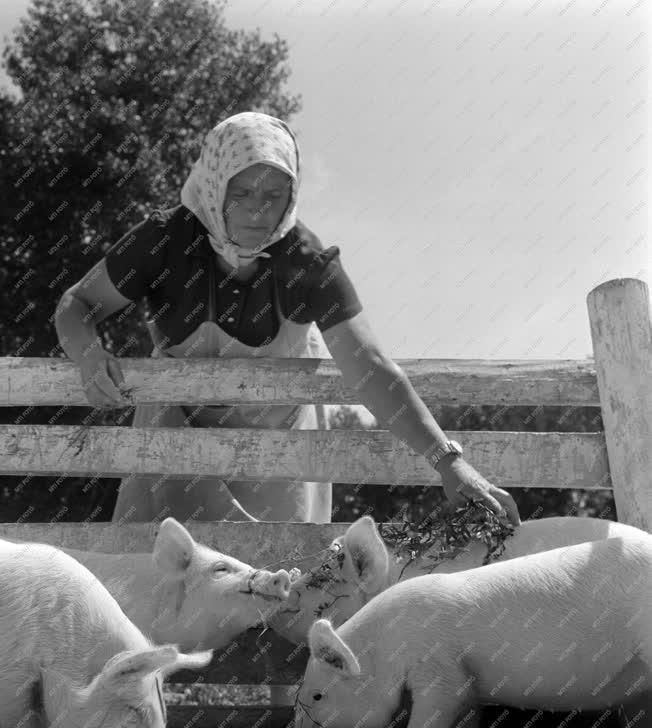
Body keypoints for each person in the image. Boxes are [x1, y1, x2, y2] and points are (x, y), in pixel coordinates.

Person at [54, 111, 520, 527]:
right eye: (242, 192)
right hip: (176, 427)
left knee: (279, 596)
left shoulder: (306, 262)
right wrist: (89, 354)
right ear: (215, 183)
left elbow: (371, 367)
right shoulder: (164, 239)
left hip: (278, 442)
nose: (258, 210)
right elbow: (76, 305)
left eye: (274, 194)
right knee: (163, 582)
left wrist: (448, 462)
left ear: (292, 194)